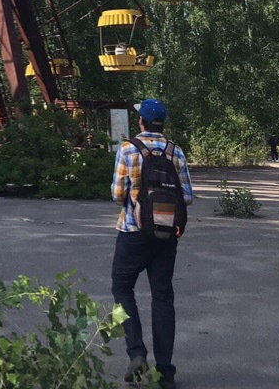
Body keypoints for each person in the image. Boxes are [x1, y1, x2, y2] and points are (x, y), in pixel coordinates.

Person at [111, 98, 193, 389]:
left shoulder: (128, 149)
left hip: (133, 233)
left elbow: (118, 193)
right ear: (162, 124)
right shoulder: (175, 152)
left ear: (141, 122)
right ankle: (165, 373)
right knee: (162, 297)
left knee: (121, 288)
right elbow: (187, 196)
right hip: (167, 236)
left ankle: (137, 352)